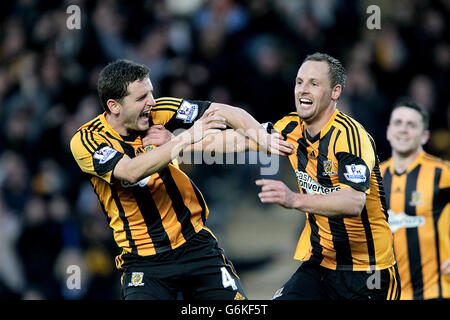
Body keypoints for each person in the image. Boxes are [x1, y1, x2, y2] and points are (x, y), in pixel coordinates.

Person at [70, 59, 292, 300]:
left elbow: (225, 112)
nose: (152, 102)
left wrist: (260, 135)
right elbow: (131, 171)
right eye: (141, 97)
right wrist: (185, 138)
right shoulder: (87, 140)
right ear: (114, 106)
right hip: (145, 263)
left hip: (196, 245)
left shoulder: (159, 111)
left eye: (151, 93)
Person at [252, 53, 400, 300]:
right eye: (299, 82)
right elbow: (243, 138)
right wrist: (184, 140)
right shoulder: (290, 127)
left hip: (369, 272)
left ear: (335, 92)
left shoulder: (351, 137)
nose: (303, 90)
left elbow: (353, 202)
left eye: (313, 83)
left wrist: (293, 199)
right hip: (321, 265)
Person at [380, 100, 450, 300]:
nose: (403, 130)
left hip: (435, 291)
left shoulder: (441, 173)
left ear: (425, 136)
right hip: (389, 294)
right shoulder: (375, 179)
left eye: (411, 125)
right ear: (388, 131)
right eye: (398, 123)